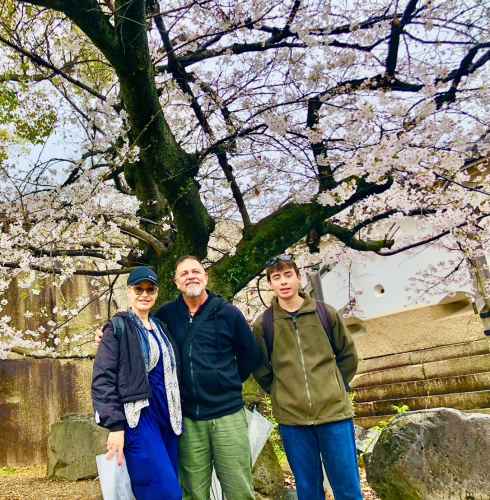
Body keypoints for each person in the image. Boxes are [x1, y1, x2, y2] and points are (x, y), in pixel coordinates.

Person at [253, 255, 363, 500]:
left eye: (288, 275)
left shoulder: (325, 314)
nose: (283, 282)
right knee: (308, 489)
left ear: (298, 277)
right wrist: (281, 392)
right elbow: (260, 368)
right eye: (276, 277)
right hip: (293, 420)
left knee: (347, 486)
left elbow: (347, 355)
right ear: (270, 283)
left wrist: (335, 385)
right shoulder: (265, 324)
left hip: (334, 413)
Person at [154, 255, 262, 500]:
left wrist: (227, 381)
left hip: (227, 415)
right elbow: (140, 328)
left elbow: (250, 355)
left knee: (238, 488)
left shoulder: (228, 313)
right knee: (193, 491)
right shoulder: (166, 316)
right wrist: (110, 331)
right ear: (176, 282)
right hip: (189, 419)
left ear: (205, 276)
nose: (191, 276)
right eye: (184, 273)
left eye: (196, 271)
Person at [92, 266, 183, 500]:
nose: (144, 294)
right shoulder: (117, 328)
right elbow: (103, 379)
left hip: (169, 419)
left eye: (149, 289)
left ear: (156, 292)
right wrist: (114, 426)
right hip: (140, 420)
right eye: (138, 289)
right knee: (165, 493)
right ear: (129, 291)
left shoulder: (162, 328)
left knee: (170, 485)